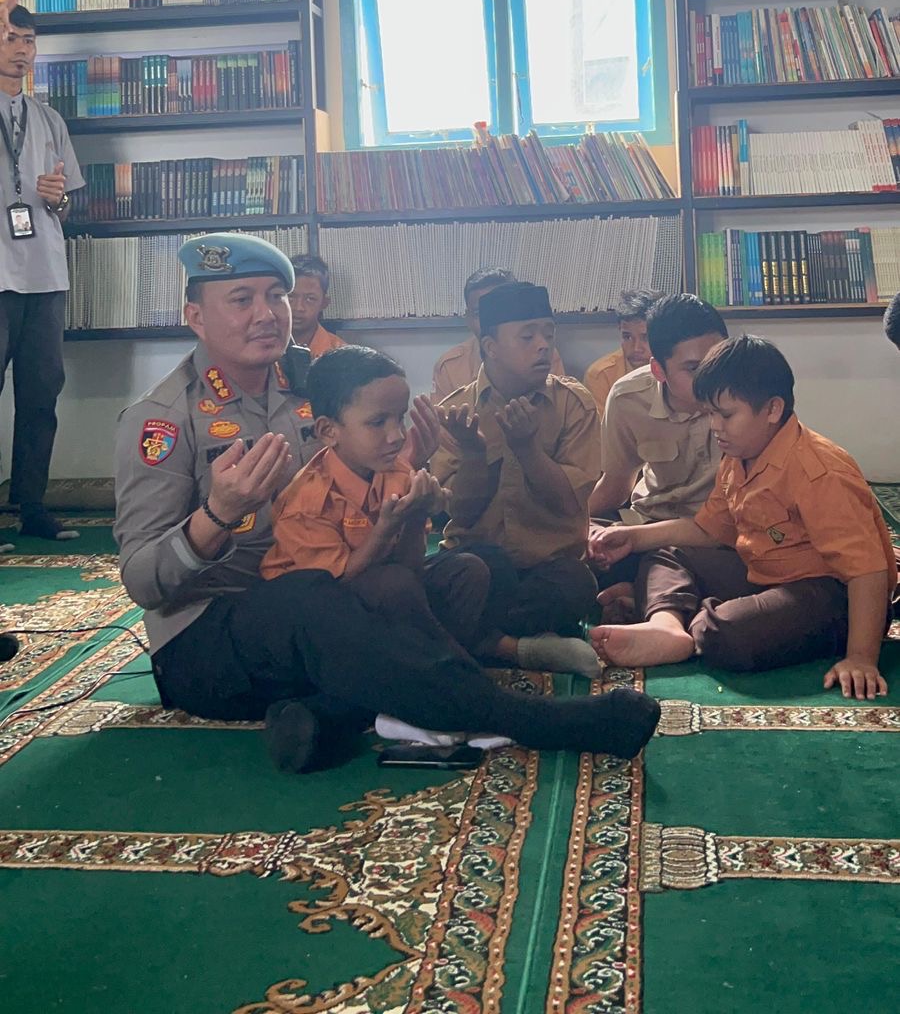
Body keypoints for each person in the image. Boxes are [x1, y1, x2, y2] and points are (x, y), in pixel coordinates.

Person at [115, 233, 660, 769]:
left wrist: (406, 463)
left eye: (276, 296)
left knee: (475, 566)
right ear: (195, 316)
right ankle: (530, 719)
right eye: (242, 300)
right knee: (313, 597)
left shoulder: (313, 379)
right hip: (215, 638)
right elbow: (142, 581)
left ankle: (330, 715)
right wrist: (218, 515)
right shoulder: (164, 418)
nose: (268, 314)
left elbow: (367, 514)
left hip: (337, 602)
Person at [590, 335, 896, 699]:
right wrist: (633, 537)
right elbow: (709, 530)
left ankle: (680, 614)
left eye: (726, 415)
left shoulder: (819, 471)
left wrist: (861, 657)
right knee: (668, 552)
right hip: (764, 572)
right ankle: (666, 624)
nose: (715, 426)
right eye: (710, 414)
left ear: (772, 409)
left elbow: (868, 571)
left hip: (831, 594)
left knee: (725, 634)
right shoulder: (738, 455)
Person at [261, 346, 490, 655]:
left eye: (400, 418)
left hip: (388, 592)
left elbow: (411, 567)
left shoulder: (396, 471)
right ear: (328, 431)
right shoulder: (307, 502)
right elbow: (336, 585)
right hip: (313, 617)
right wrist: (385, 528)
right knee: (391, 585)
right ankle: (449, 666)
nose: (397, 436)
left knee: (469, 570)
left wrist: (415, 516)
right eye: (378, 422)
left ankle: (433, 662)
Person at [433, 281, 602, 678]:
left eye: (548, 333)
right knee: (472, 571)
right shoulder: (456, 412)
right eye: (527, 336)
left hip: (545, 568)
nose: (543, 345)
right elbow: (459, 512)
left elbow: (568, 503)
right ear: (490, 346)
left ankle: (475, 640)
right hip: (479, 565)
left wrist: (528, 450)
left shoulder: (574, 405)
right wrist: (474, 453)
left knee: (575, 584)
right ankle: (515, 647)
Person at [586, 293, 728, 620]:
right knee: (583, 552)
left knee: (675, 562)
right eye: (694, 368)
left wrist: (635, 539)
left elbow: (737, 520)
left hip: (714, 535)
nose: (713, 377)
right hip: (648, 521)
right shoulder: (627, 397)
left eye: (719, 360)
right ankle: (644, 598)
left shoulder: (746, 395)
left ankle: (643, 599)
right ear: (658, 369)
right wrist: (573, 525)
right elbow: (616, 485)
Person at [0, 3, 84, 541]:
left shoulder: (49, 119)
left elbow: (65, 206)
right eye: (10, 38)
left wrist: (57, 200)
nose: (21, 50)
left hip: (45, 277)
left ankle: (31, 506)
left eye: (28, 40)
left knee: (40, 397)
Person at [432, 266, 564, 401]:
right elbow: (440, 413)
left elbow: (558, 403)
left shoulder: (543, 354)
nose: (488, 322)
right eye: (479, 313)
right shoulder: (450, 367)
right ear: (468, 318)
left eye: (501, 312)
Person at [583, 289, 659, 415]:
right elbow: (602, 427)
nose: (636, 348)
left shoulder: (676, 369)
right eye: (627, 337)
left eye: (646, 338)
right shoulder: (602, 375)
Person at [287, 255, 346, 360]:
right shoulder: (263, 347)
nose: (298, 307)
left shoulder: (341, 355)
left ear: (324, 303)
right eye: (290, 297)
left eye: (310, 299)